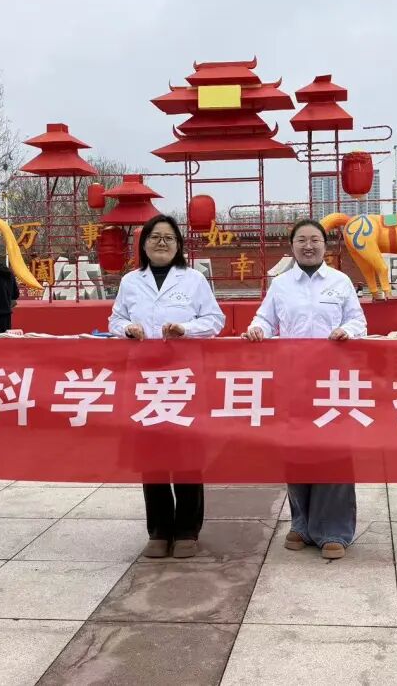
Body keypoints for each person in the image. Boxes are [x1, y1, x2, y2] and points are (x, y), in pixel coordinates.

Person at [245, 219, 367, 560]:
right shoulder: (281, 285)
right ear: (292, 246)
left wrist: (347, 331)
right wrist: (258, 329)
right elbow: (265, 319)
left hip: (333, 381)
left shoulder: (340, 282)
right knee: (297, 451)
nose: (308, 246)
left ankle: (334, 529)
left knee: (334, 452)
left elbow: (358, 321)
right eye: (301, 240)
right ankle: (301, 523)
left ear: (325, 245)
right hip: (294, 379)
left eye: (315, 239)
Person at [108, 214, 225, 559]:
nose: (162, 243)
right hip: (145, 380)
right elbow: (115, 319)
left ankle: (187, 530)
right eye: (155, 237)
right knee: (151, 454)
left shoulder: (194, 279)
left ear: (178, 245)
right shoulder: (131, 281)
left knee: (187, 453)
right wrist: (127, 328)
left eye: (169, 238)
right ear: (144, 244)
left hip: (183, 378)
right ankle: (159, 530)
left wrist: (186, 329)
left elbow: (215, 320)